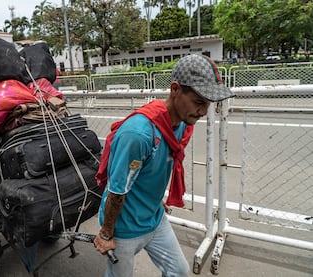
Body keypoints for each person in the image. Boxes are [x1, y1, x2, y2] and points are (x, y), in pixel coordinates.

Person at [93, 54, 235, 277]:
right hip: (124, 227)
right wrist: (106, 234)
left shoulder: (179, 123)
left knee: (179, 271)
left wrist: (154, 197)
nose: (203, 111)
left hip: (154, 217)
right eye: (199, 102)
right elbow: (117, 189)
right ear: (175, 89)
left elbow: (150, 168)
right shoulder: (139, 134)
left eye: (208, 104)